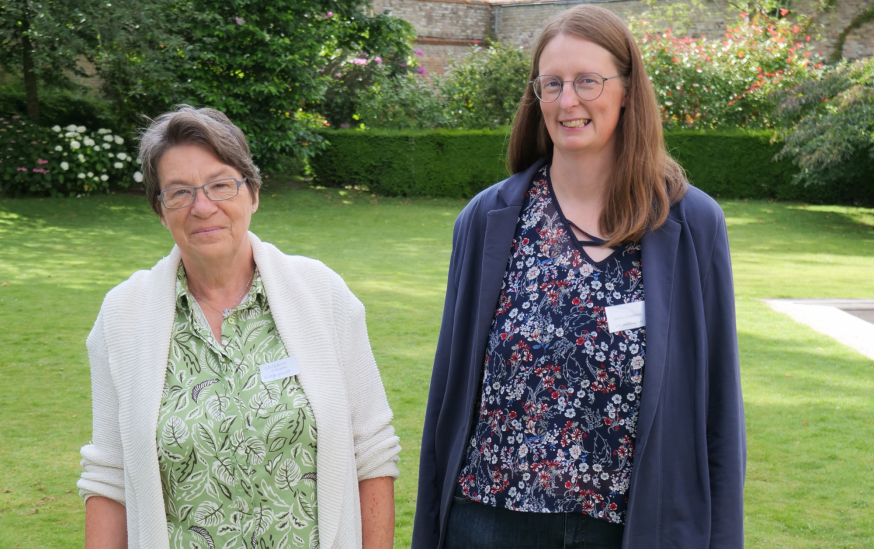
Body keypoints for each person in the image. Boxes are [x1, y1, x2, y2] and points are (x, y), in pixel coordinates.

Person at [412, 5, 745, 549]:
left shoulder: (690, 223)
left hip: (633, 524)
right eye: (552, 84)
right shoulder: (488, 220)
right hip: (492, 521)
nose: (568, 101)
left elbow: (718, 409)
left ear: (628, 89)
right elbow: (448, 396)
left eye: (588, 80)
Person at [78, 105, 401, 549]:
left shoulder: (322, 295)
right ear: (160, 209)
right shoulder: (123, 316)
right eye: (179, 192)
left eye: (220, 185)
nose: (202, 207)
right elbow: (109, 476)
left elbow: (373, 452)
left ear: (252, 193)